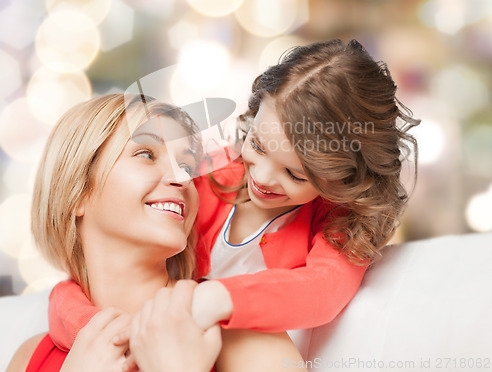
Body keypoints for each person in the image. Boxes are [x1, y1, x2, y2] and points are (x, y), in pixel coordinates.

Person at [48, 39, 420, 358]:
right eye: (257, 144)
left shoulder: (338, 225)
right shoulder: (207, 176)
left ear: (343, 177)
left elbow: (323, 290)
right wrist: (102, 336)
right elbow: (75, 286)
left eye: (295, 174)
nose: (261, 177)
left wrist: (215, 299)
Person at [6, 94, 302, 372]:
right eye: (146, 154)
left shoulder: (242, 333)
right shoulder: (29, 357)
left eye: (187, 164)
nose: (184, 178)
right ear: (78, 192)